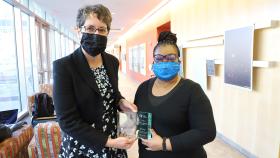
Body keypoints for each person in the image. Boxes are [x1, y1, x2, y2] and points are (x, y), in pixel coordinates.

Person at [53, 4, 137, 158]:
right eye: (90, 28)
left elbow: (113, 93)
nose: (96, 34)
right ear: (79, 30)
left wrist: (121, 102)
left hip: (113, 138)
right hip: (83, 145)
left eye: (101, 29)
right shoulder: (64, 66)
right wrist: (109, 142)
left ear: (107, 32)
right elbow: (67, 121)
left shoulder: (112, 61)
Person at [134, 31, 216, 158]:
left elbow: (206, 132)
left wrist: (164, 144)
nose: (164, 62)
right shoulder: (143, 88)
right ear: (153, 61)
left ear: (179, 61)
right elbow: (138, 120)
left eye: (171, 58)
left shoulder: (192, 90)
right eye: (159, 58)